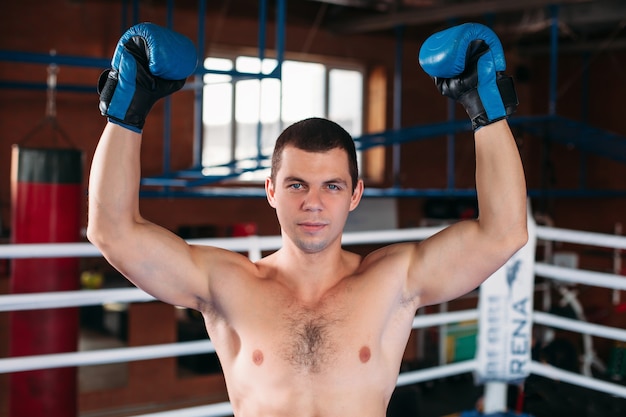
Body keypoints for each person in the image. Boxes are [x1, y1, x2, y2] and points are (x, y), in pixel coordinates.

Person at [88, 21, 528, 417]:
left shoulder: (394, 281)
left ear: (355, 194)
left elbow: (503, 232)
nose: (313, 203)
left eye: (332, 186)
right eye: (297, 184)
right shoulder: (226, 284)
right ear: (271, 191)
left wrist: (485, 108)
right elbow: (112, 231)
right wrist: (127, 112)